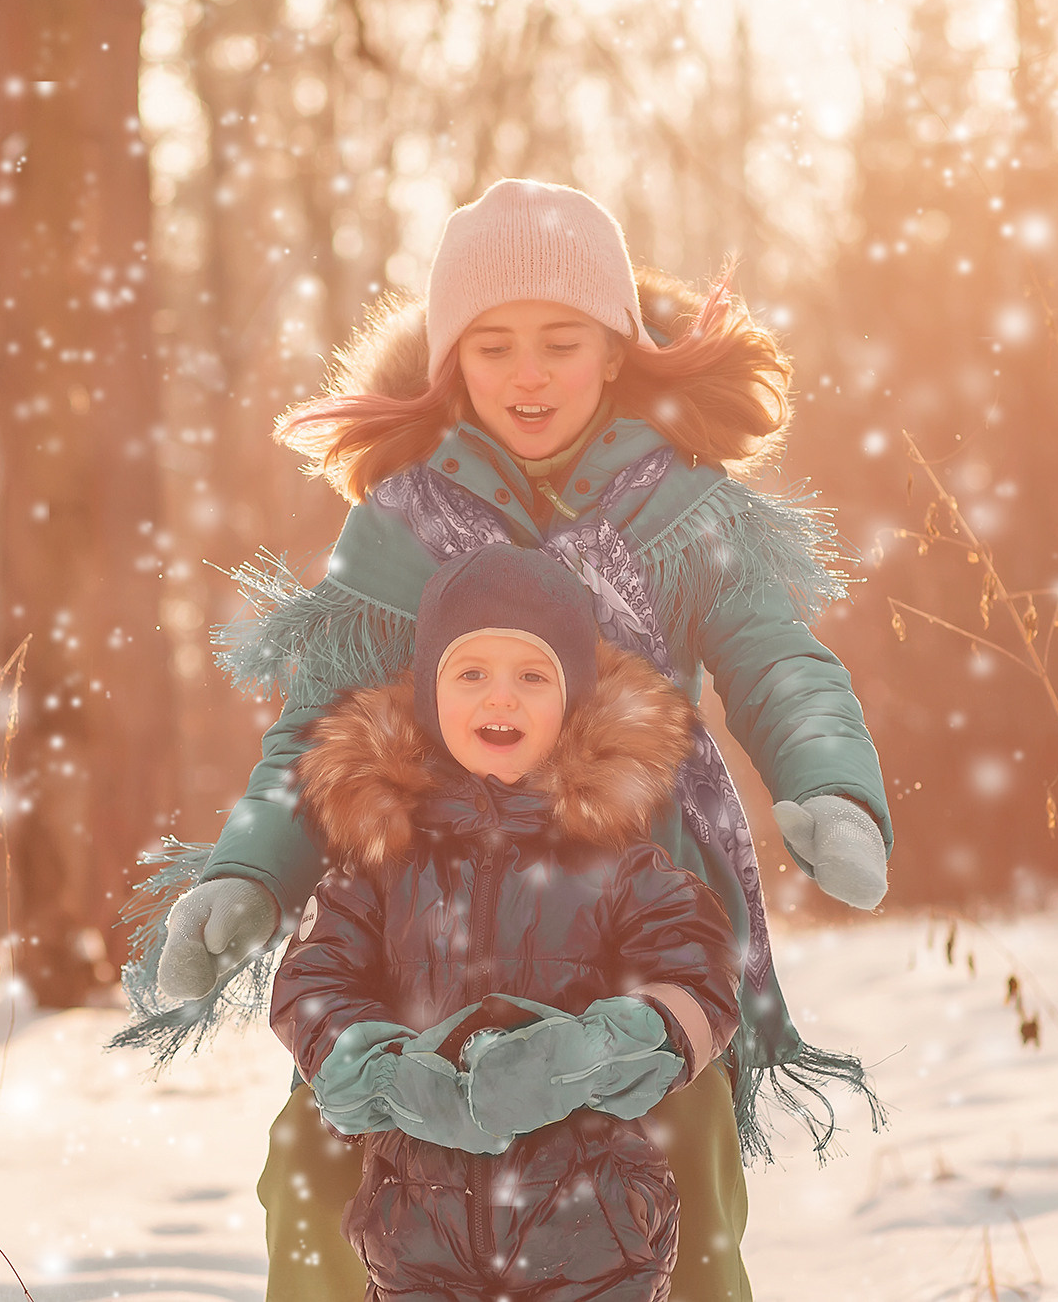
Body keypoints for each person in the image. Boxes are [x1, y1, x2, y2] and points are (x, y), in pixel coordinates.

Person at [114, 179, 894, 1299]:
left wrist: (827, 784)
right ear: (451, 364)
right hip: (422, 922)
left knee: (674, 1192)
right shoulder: (400, 520)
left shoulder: (682, 508)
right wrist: (247, 875)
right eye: (492, 347)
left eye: (558, 342)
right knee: (319, 1170)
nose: (527, 375)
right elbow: (320, 716)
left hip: (631, 920)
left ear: (615, 349)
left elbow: (777, 659)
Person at [269, 544, 742, 1301]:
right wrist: (387, 1072)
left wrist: (595, 1049)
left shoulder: (619, 863)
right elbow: (311, 979)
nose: (502, 699)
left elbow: (701, 976)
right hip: (418, 1232)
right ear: (430, 694)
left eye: (532, 676)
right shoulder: (381, 862)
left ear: (572, 699)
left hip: (595, 1234)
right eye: (471, 673)